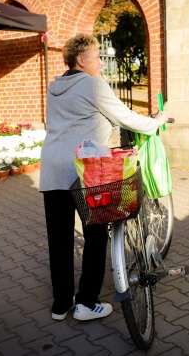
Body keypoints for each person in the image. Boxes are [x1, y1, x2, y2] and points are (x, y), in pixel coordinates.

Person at [39, 34, 169, 321]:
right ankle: (86, 302)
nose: (100, 62)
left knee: (58, 239)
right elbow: (125, 117)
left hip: (51, 169)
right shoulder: (93, 84)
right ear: (81, 60)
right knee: (95, 234)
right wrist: (156, 121)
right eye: (96, 56)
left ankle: (61, 305)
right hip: (83, 171)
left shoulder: (54, 87)